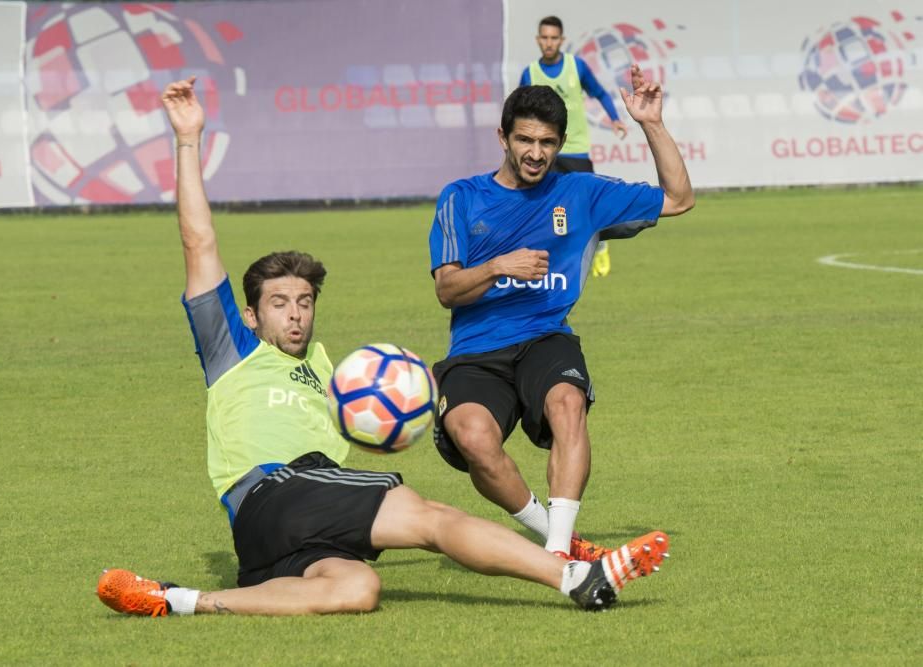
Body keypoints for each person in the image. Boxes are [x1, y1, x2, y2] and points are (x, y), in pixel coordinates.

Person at [96, 76, 669, 618]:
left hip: (270, 532)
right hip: (275, 488)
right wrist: (188, 138)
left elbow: (375, 412)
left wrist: (421, 394)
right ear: (250, 314)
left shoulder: (329, 371)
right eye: (278, 303)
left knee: (357, 589)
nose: (295, 314)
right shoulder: (231, 350)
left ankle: (178, 599)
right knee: (430, 518)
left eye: (304, 301)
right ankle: (573, 575)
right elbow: (199, 242)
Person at [428, 67, 693, 560]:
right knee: (473, 438)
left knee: (568, 402)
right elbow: (447, 288)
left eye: (547, 142)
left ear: (560, 142)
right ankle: (561, 541)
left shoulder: (581, 194)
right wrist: (497, 266)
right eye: (525, 139)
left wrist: (651, 123)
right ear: (502, 137)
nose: (535, 153)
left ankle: (555, 555)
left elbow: (680, 199)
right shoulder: (461, 198)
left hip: (546, 335)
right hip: (475, 350)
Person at [520, 15, 631, 277]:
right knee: (549, 206)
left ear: (561, 40)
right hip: (544, 152)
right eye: (544, 38)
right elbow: (520, 112)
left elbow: (600, 93)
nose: (549, 43)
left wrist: (614, 119)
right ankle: (557, 256)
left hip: (577, 148)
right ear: (538, 40)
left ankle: (601, 245)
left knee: (588, 202)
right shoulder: (530, 73)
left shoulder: (576, 66)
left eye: (553, 38)